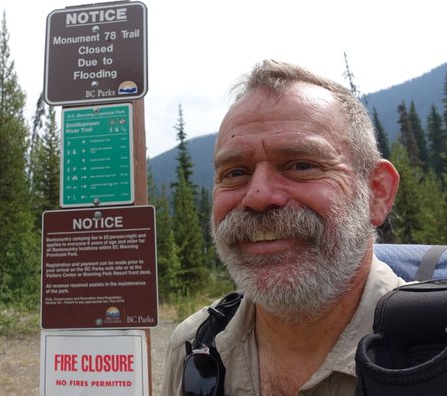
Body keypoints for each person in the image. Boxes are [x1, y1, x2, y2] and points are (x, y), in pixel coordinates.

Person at [160, 59, 403, 396]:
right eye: (235, 173)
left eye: (302, 165)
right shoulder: (194, 346)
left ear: (378, 193)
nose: (258, 197)